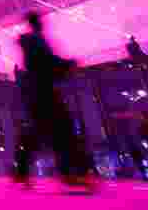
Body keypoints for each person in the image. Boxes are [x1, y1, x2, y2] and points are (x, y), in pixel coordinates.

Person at [12, 12, 93, 190]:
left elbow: (43, 64)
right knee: (62, 130)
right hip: (43, 91)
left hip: (36, 93)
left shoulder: (31, 42)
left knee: (40, 132)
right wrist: (68, 65)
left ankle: (22, 171)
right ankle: (72, 173)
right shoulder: (36, 41)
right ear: (37, 23)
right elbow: (46, 64)